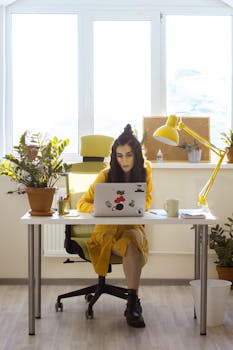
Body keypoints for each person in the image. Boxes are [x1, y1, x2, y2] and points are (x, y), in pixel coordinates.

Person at [77, 124, 153, 328]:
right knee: (131, 241)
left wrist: (137, 206)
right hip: (107, 231)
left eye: (128, 155)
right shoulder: (105, 175)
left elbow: (147, 200)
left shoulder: (145, 173)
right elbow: (81, 203)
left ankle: (132, 302)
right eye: (119, 156)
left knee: (133, 240)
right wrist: (98, 209)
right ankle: (134, 304)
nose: (124, 160)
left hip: (131, 228)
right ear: (114, 156)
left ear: (136, 155)